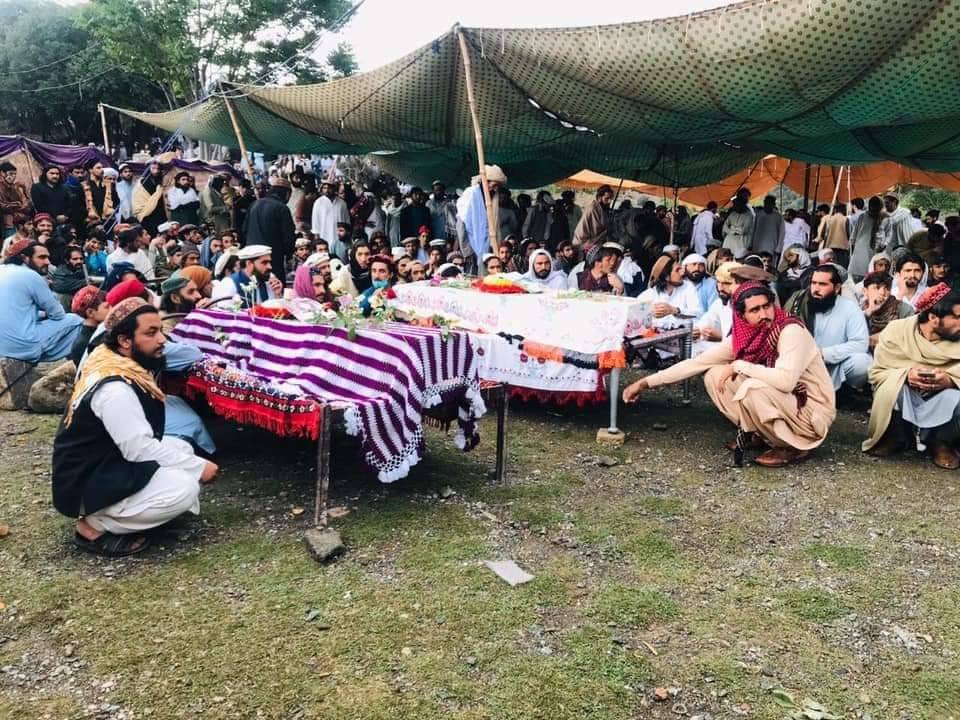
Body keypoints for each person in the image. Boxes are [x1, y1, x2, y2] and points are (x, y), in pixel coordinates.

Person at [53, 298, 218, 556]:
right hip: (88, 480)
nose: (162, 339)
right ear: (124, 341)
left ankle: (133, 513)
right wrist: (199, 467)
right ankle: (93, 525)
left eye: (161, 330)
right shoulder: (114, 388)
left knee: (182, 445)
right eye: (151, 333)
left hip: (106, 462)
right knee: (185, 487)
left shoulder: (114, 360)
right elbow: (138, 449)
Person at [623, 282, 836, 467]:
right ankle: (761, 434)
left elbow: (786, 381)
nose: (763, 314)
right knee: (714, 375)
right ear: (741, 316)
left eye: (766, 306)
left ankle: (790, 445)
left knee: (751, 388)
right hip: (787, 401)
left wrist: (740, 366)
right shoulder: (746, 337)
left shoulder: (790, 331)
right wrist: (643, 383)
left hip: (811, 409)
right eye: (754, 310)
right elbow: (696, 363)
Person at [864, 285, 960, 468]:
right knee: (892, 386)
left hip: (945, 397)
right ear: (933, 318)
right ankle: (898, 436)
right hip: (908, 393)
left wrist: (950, 380)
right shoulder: (896, 331)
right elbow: (877, 372)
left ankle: (942, 442)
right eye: (958, 317)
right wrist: (906, 375)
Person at [783, 264, 871, 392]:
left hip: (835, 366)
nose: (816, 289)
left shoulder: (850, 308)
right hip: (802, 364)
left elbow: (860, 344)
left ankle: (843, 390)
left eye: (823, 284)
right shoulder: (801, 304)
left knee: (863, 363)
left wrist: (825, 354)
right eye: (813, 283)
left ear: (836, 288)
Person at [0, 240, 82, 362]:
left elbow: (16, 312)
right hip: (21, 345)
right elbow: (58, 314)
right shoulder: (30, 275)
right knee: (76, 320)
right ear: (24, 258)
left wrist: (42, 314)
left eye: (47, 257)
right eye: (42, 257)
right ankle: (42, 358)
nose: (47, 262)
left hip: (3, 347)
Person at [639, 254, 703, 329]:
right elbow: (634, 315)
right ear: (666, 277)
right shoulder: (650, 294)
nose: (682, 272)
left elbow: (698, 313)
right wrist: (649, 313)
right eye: (677, 270)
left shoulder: (688, 287)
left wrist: (675, 310)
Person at [693, 261, 741, 354]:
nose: (720, 288)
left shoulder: (750, 305)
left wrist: (721, 337)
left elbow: (747, 343)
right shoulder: (720, 303)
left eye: (726, 283)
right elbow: (706, 321)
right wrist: (697, 330)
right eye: (718, 282)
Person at [211, 244, 283, 305]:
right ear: (249, 264)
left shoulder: (269, 278)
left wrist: (278, 295)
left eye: (269, 262)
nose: (270, 267)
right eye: (264, 263)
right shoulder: (229, 284)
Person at [861, 271, 913, 349]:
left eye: (887, 288)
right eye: (877, 288)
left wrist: (882, 337)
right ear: (865, 291)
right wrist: (869, 312)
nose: (882, 293)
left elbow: (909, 337)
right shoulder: (858, 310)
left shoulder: (904, 309)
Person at [848, 196, 887, 280]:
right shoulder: (885, 218)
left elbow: (853, 238)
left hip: (861, 257)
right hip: (870, 256)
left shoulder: (864, 216)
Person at [311, 181, 351, 261]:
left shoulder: (342, 203)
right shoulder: (318, 203)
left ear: (334, 188)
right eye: (324, 188)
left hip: (340, 243)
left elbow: (347, 225)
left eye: (329, 188)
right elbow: (316, 228)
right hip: (324, 242)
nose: (326, 190)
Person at [69, 286, 109, 366]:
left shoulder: (103, 329)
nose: (112, 308)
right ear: (90, 312)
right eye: (107, 307)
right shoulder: (84, 345)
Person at [81, 160, 118, 230]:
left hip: (108, 220)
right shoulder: (84, 185)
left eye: (102, 168)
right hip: (92, 222)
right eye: (98, 168)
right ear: (90, 170)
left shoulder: (108, 184)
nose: (101, 170)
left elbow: (116, 200)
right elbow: (81, 205)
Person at [132, 161, 167, 236]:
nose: (156, 171)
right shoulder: (142, 182)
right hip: (146, 214)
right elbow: (139, 197)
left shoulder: (162, 181)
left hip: (160, 212)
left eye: (158, 168)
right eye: (153, 168)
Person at [50, 246, 89, 312]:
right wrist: (86, 282)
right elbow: (60, 286)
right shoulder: (61, 273)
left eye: (81, 259)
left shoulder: (84, 268)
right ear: (67, 261)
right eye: (75, 259)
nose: (79, 261)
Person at [0, 161, 32, 241]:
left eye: (15, 174)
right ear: (2, 174)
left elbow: (27, 204)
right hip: (6, 223)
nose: (13, 176)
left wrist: (24, 189)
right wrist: (17, 204)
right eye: (10, 174)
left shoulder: (15, 187)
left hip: (18, 221)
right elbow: (3, 206)